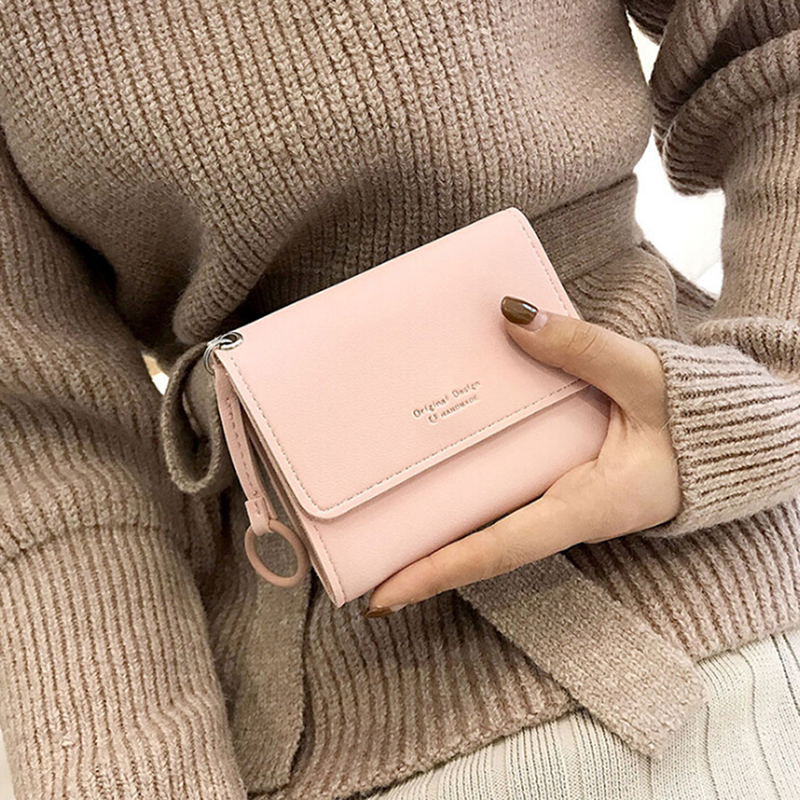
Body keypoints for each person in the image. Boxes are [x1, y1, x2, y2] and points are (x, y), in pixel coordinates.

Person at [0, 0, 798, 798]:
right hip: (320, 713)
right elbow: (43, 452)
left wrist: (765, 390)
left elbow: (778, 43)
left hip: (731, 581)